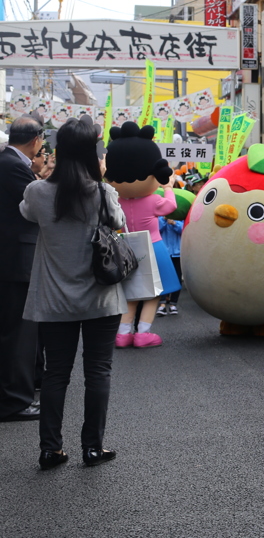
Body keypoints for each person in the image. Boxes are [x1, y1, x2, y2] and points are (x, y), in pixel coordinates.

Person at [21, 117, 126, 469]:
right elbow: (119, 223)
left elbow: (27, 213)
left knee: (55, 373)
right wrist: (102, 173)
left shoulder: (37, 192)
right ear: (92, 154)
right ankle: (93, 447)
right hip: (100, 298)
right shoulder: (102, 193)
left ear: (60, 152)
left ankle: (50, 448)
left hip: (54, 300)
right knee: (98, 371)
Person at [105, 123, 180, 349]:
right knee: (153, 293)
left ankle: (123, 333)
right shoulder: (153, 200)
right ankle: (143, 333)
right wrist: (169, 187)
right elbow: (171, 206)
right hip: (153, 246)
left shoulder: (114, 200)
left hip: (123, 248)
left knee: (129, 293)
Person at [0, 116, 44, 423]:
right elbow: (37, 205)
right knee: (18, 333)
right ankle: (14, 401)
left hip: (12, 257)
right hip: (15, 259)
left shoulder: (8, 162)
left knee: (15, 331)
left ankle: (16, 394)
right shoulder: (13, 166)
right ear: (36, 140)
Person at [156, 216, 184, 316]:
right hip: (164, 252)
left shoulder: (180, 217)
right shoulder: (159, 218)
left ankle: (173, 304)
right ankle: (162, 304)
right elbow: (156, 230)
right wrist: (164, 220)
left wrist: (175, 223)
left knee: (177, 278)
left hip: (178, 253)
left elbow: (184, 230)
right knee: (163, 278)